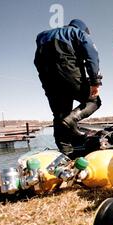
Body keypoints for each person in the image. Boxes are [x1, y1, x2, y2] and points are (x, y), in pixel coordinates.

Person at [34, 19, 102, 156]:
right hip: (69, 73)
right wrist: (95, 81)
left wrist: (46, 80)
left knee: (59, 115)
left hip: (48, 80)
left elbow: (36, 61)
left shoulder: (42, 36)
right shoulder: (77, 33)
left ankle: (65, 152)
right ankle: (71, 120)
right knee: (94, 100)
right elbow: (92, 56)